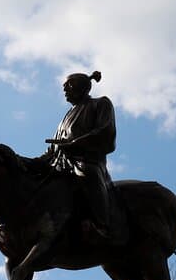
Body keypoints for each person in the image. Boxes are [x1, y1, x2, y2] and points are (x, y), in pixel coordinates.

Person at [39, 70, 119, 241]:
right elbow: (53, 150)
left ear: (82, 87)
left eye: (68, 85)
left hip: (86, 162)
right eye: (64, 87)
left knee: (86, 173)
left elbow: (105, 131)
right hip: (60, 165)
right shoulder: (66, 117)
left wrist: (74, 144)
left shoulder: (101, 104)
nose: (65, 90)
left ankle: (102, 224)